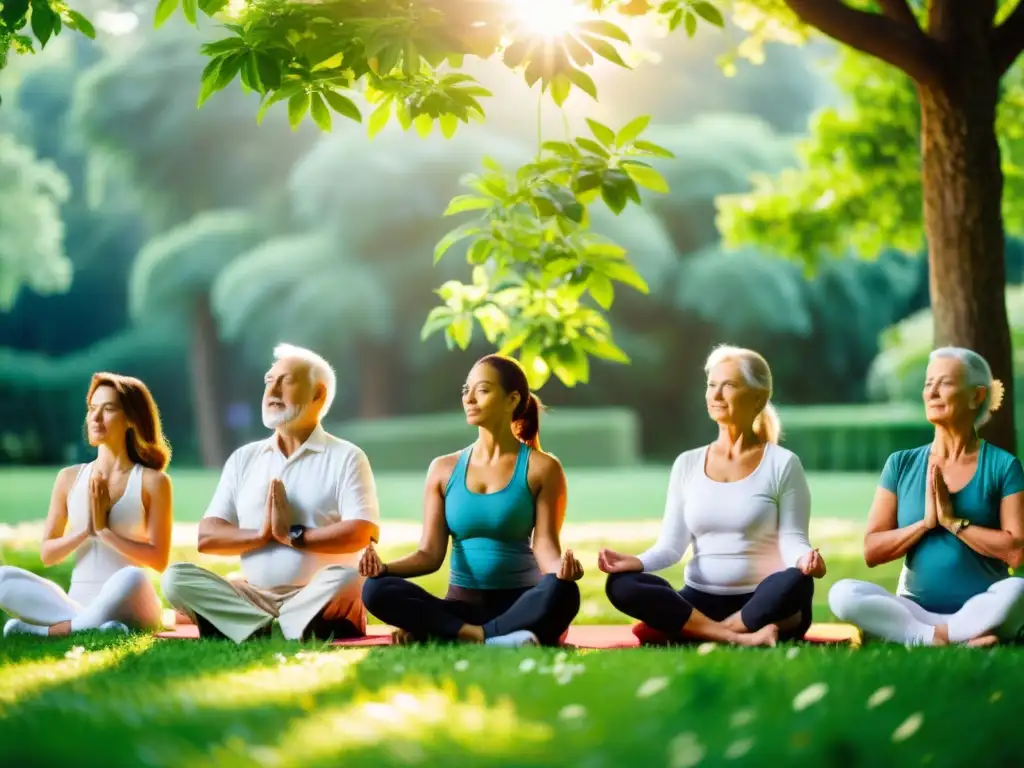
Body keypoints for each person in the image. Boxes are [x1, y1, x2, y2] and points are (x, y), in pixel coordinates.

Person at [599, 345, 826, 647]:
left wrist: (806, 559)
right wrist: (635, 562)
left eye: (729, 385)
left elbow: (793, 539)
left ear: (758, 397)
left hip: (762, 601)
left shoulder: (782, 464)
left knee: (796, 580)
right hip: (700, 599)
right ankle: (736, 637)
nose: (716, 395)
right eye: (711, 385)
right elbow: (671, 547)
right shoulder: (687, 463)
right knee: (622, 585)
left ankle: (696, 631)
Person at [161, 343, 380, 643]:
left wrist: (294, 535)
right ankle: (278, 624)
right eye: (269, 381)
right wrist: (264, 534)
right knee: (175, 579)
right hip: (254, 595)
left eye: (286, 381)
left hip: (319, 592)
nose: (272, 390)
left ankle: (254, 625)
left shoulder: (347, 456)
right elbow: (208, 536)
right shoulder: (244, 458)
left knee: (348, 579)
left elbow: (361, 532)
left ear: (318, 394)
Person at [359, 354, 582, 647]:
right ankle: (482, 636)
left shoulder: (542, 468)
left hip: (519, 604)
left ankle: (451, 634)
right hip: (460, 607)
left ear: (512, 399)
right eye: (467, 390)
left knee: (564, 592)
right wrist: (384, 569)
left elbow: (545, 547)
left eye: (483, 390)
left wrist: (562, 571)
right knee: (376, 590)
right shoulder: (443, 469)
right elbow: (429, 554)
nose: (470, 399)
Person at [829, 347, 1024, 647]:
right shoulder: (901, 464)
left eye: (944, 383)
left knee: (1018, 590)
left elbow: (1015, 551)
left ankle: (929, 636)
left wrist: (953, 522)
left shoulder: (1003, 465)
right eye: (928, 383)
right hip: (915, 611)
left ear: (976, 396)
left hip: (984, 606)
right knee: (842, 593)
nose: (932, 392)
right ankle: (941, 638)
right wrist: (925, 524)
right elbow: (872, 550)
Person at [1, 373, 173, 637]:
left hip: (132, 600)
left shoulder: (153, 482)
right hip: (75, 601)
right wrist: (86, 531)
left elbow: (159, 560)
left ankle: (47, 632)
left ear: (131, 419)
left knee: (131, 577)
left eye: (108, 409)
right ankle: (97, 626)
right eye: (92, 409)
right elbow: (48, 554)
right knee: (3, 579)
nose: (95, 418)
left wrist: (105, 532)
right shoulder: (68, 478)